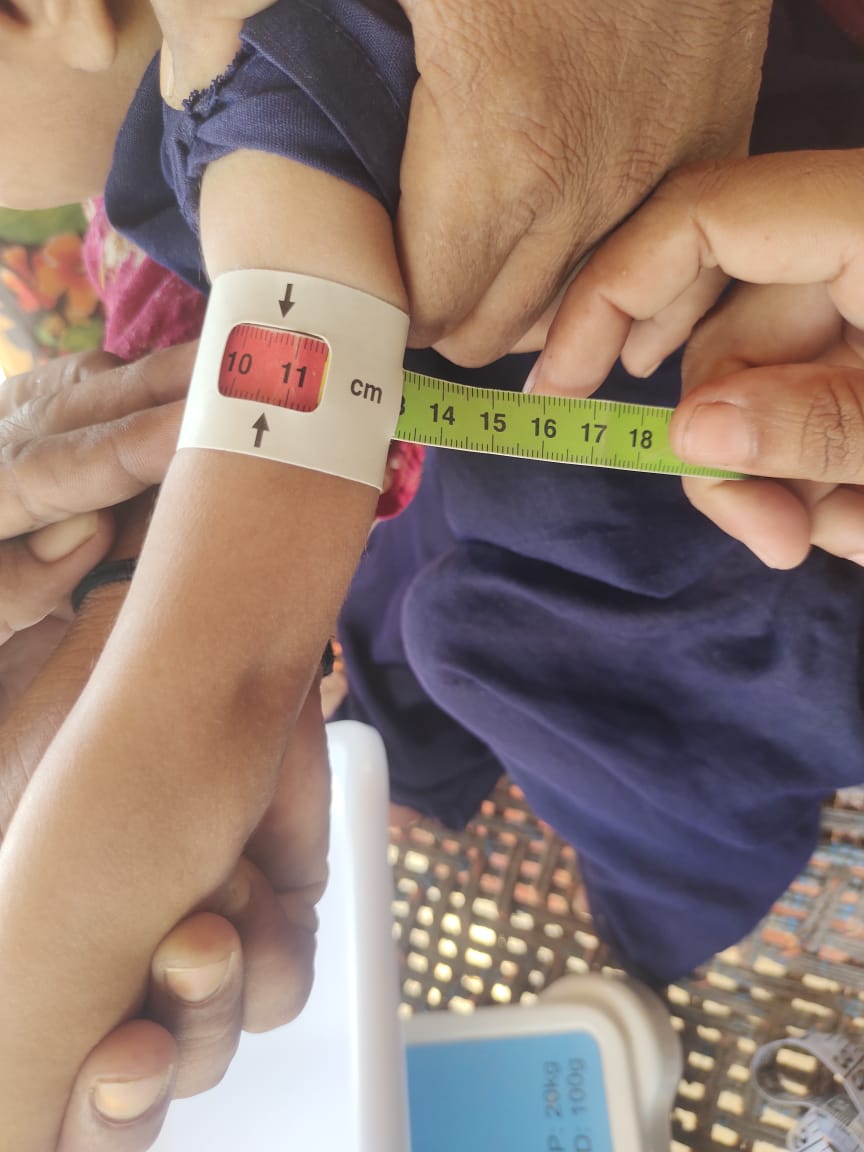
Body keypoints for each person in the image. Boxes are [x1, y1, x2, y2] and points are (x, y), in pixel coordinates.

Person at [0, 0, 855, 1149]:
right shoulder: (213, 105)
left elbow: (225, 676)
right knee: (404, 616)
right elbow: (234, 327)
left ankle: (668, 906)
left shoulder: (274, 88)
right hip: (595, 334)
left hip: (745, 442)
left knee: (493, 618)